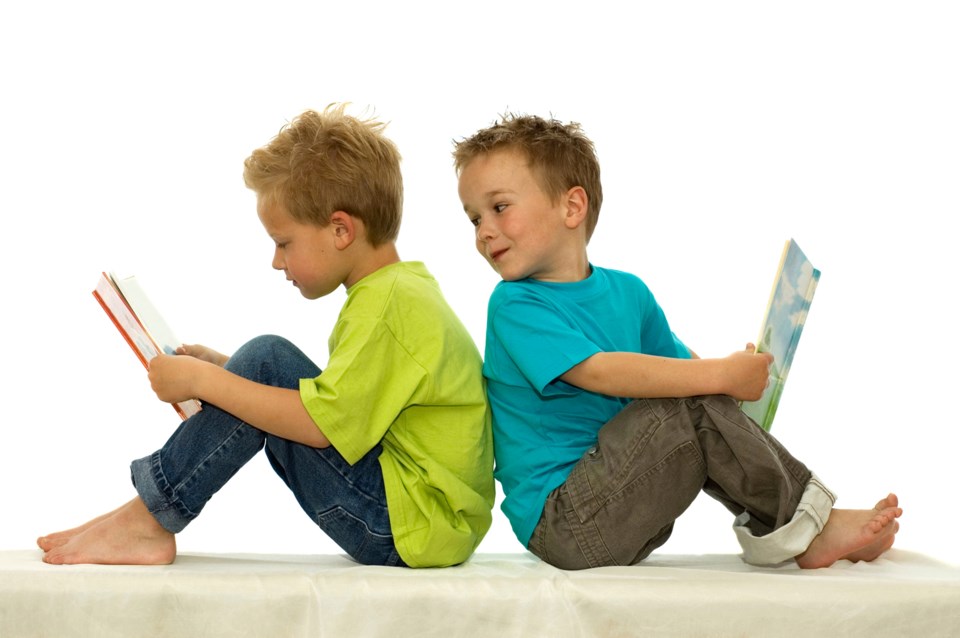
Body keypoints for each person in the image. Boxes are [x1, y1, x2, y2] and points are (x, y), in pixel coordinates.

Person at [38, 105, 494, 568]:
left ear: (340, 230)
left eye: (284, 242)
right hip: (422, 517)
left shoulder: (389, 308)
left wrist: (205, 382)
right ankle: (145, 514)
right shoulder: (398, 293)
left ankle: (149, 520)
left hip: (405, 524)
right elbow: (343, 403)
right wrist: (225, 370)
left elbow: (318, 427)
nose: (277, 262)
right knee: (261, 365)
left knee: (267, 360)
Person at [452, 113, 900, 569]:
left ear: (572, 207)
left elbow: (686, 373)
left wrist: (733, 375)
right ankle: (810, 529)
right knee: (686, 397)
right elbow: (599, 371)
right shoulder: (515, 305)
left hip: (630, 503)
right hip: (566, 523)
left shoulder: (629, 293)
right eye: (473, 218)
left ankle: (803, 528)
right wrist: (718, 374)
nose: (483, 231)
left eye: (499, 207)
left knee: (694, 395)